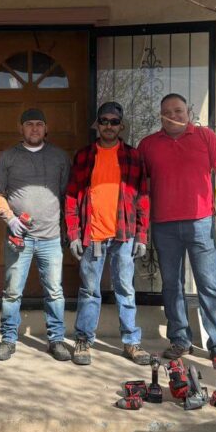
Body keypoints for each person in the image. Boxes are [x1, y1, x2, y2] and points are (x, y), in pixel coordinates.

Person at [137, 93, 216, 370]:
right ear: (160, 115)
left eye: (179, 110)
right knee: (171, 286)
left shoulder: (206, 137)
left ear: (189, 111)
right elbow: (138, 186)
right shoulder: (148, 145)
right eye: (167, 111)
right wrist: (140, 225)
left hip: (200, 223)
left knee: (210, 284)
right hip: (164, 225)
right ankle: (180, 339)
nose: (174, 115)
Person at [64, 101, 151, 366]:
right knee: (90, 291)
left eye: (114, 122)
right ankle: (83, 340)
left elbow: (143, 199)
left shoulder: (133, 156)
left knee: (125, 289)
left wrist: (142, 236)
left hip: (124, 236)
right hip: (93, 236)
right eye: (104, 121)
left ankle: (131, 342)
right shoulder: (84, 156)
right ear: (97, 125)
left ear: (121, 125)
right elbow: (70, 197)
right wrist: (73, 234)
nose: (109, 126)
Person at [0, 108, 72, 362]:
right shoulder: (8, 157)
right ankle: (8, 339)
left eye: (39, 124)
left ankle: (56, 340)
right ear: (21, 128)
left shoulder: (59, 157)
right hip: (19, 239)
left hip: (50, 238)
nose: (34, 128)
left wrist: (67, 229)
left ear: (46, 129)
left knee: (55, 292)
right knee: (12, 292)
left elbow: (66, 195)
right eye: (29, 124)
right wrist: (11, 219)